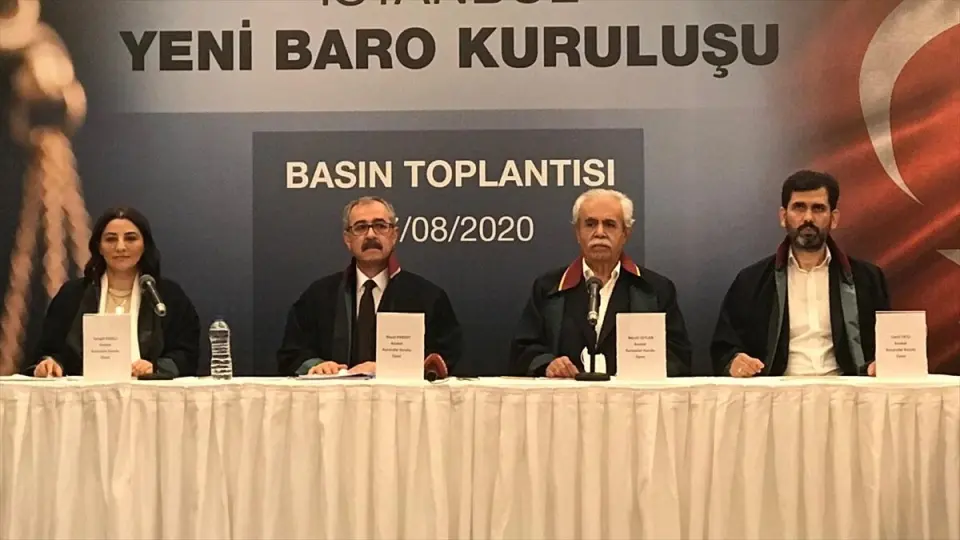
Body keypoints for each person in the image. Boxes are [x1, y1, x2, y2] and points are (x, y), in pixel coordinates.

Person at [711, 170, 891, 377]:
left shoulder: (867, 279)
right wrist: (734, 361)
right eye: (799, 207)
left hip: (847, 390)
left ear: (833, 218)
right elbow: (724, 348)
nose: (808, 218)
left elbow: (888, 344)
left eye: (818, 208)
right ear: (783, 216)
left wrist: (879, 363)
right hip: (776, 391)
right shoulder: (751, 281)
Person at [509, 188, 693, 378]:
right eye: (590, 224)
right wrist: (548, 364)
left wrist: (644, 372)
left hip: (631, 395)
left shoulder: (655, 289)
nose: (599, 233)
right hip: (565, 396)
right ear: (577, 233)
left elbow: (678, 356)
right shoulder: (549, 288)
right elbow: (523, 350)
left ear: (626, 233)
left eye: (609, 224)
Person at [277, 196, 463, 377]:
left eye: (380, 226)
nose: (371, 235)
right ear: (347, 239)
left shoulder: (428, 297)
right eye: (361, 227)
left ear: (394, 235)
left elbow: (444, 359)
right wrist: (316, 366)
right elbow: (292, 353)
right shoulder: (318, 296)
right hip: (333, 397)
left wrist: (388, 369)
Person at [27, 207, 200, 378]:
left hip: (150, 392)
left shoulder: (167, 296)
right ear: (99, 247)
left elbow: (186, 353)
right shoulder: (73, 294)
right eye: (110, 239)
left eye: (130, 238)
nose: (120, 247)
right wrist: (49, 364)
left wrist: (156, 367)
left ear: (145, 245)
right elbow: (49, 351)